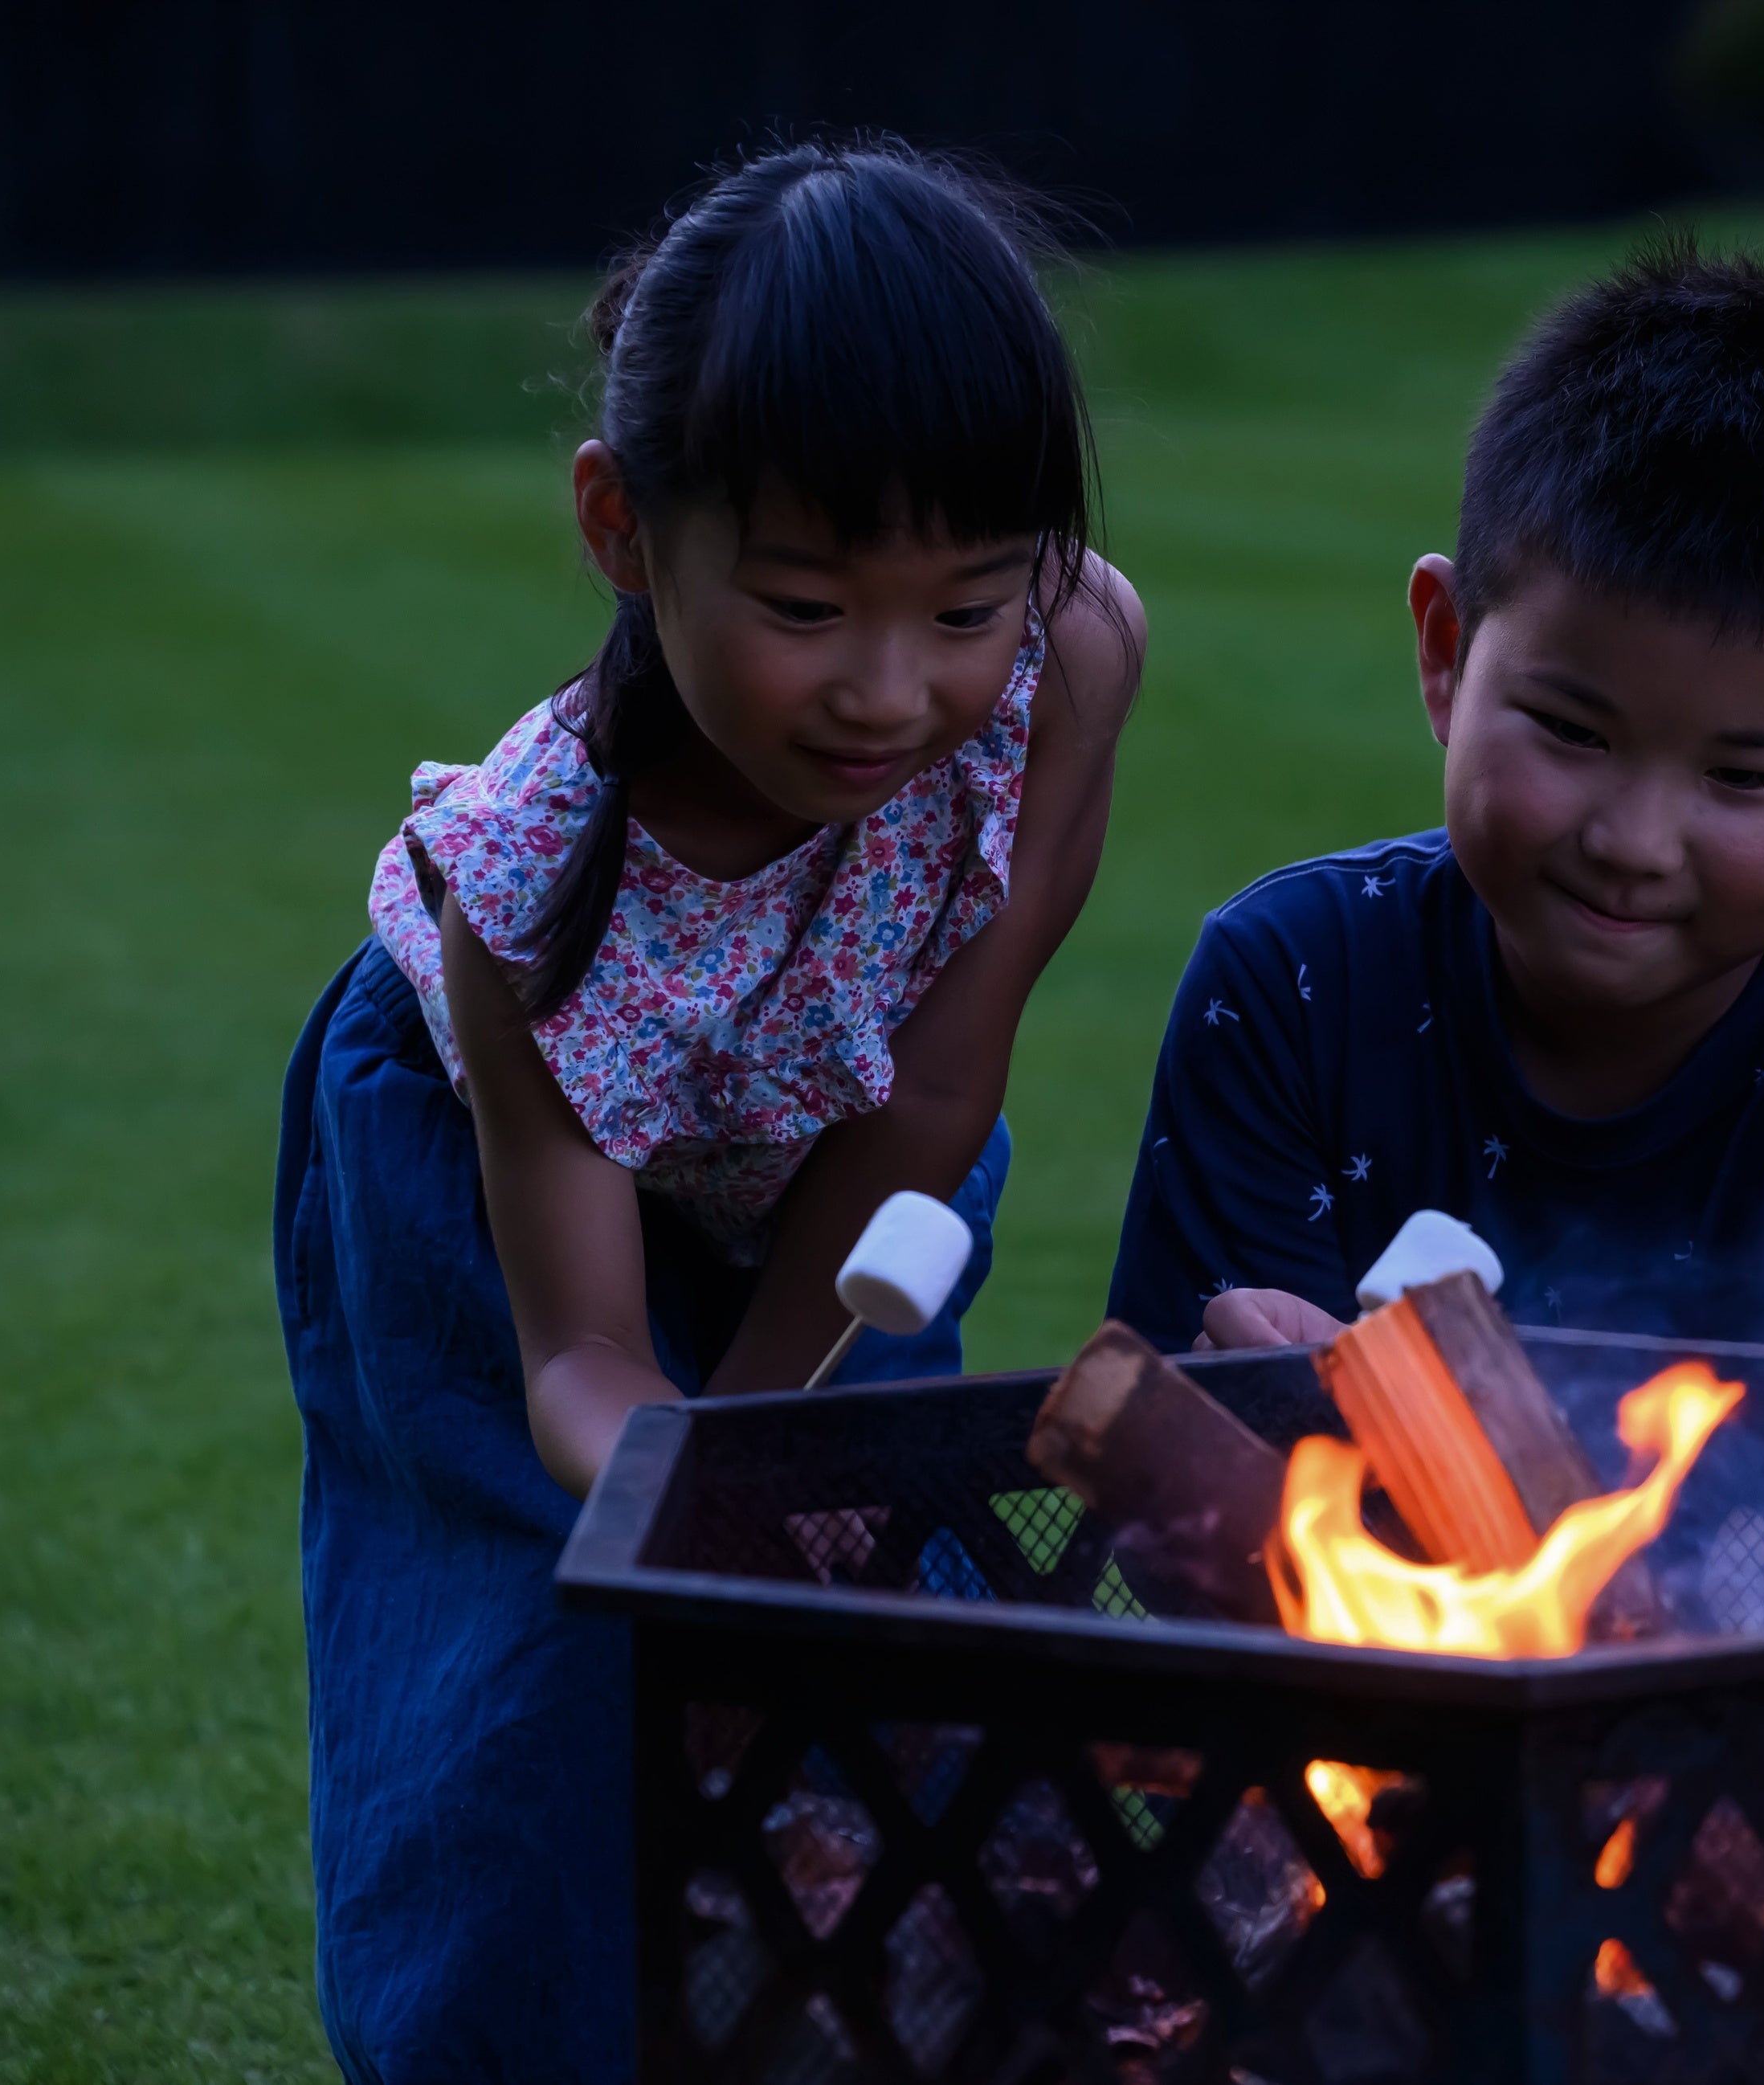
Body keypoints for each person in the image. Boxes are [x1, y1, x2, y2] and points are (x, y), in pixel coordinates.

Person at [272, 141, 1141, 2081]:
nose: (893, 690)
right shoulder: (519, 890)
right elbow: (578, 1352)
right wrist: (702, 1477)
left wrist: (777, 1446)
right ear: (621, 522)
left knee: (868, 1595)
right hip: (486, 1171)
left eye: (964, 604)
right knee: (551, 1650)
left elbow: (935, 1086)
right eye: (809, 603)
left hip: (843, 1146)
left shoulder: (1070, 656)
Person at [1110, 243, 1764, 1363]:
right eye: (1572, 731)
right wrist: (1246, 1423)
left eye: (1743, 777)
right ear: (1447, 651)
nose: (1632, 843)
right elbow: (1173, 1519)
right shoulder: (1293, 987)